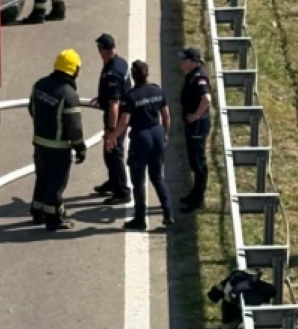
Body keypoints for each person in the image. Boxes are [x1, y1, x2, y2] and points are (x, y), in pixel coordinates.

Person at [106, 60, 174, 230]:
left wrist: (112, 136)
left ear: (134, 76)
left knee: (138, 180)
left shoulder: (130, 96)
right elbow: (166, 116)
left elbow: (124, 121)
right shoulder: (157, 90)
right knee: (158, 177)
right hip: (157, 133)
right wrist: (165, 134)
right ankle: (168, 214)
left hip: (141, 137)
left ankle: (140, 218)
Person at [29, 49, 87, 230]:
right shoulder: (69, 95)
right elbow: (74, 127)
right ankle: (53, 219)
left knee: (42, 178)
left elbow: (32, 109)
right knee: (56, 183)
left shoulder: (39, 85)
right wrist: (80, 147)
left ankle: (37, 212)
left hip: (39, 144)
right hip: (59, 147)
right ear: (74, 70)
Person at [90, 33, 131, 204]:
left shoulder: (113, 72)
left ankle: (122, 191)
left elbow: (115, 104)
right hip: (119, 113)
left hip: (117, 117)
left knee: (113, 152)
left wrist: (111, 132)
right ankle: (113, 182)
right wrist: (101, 97)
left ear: (103, 49)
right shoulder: (119, 62)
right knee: (109, 154)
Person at [178, 47, 212, 214]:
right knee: (193, 161)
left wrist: (196, 116)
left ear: (193, 61)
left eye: (184, 59)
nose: (181, 62)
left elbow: (206, 99)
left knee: (198, 163)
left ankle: (198, 200)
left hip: (197, 126)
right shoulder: (191, 75)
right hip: (193, 125)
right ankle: (194, 194)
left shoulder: (199, 77)